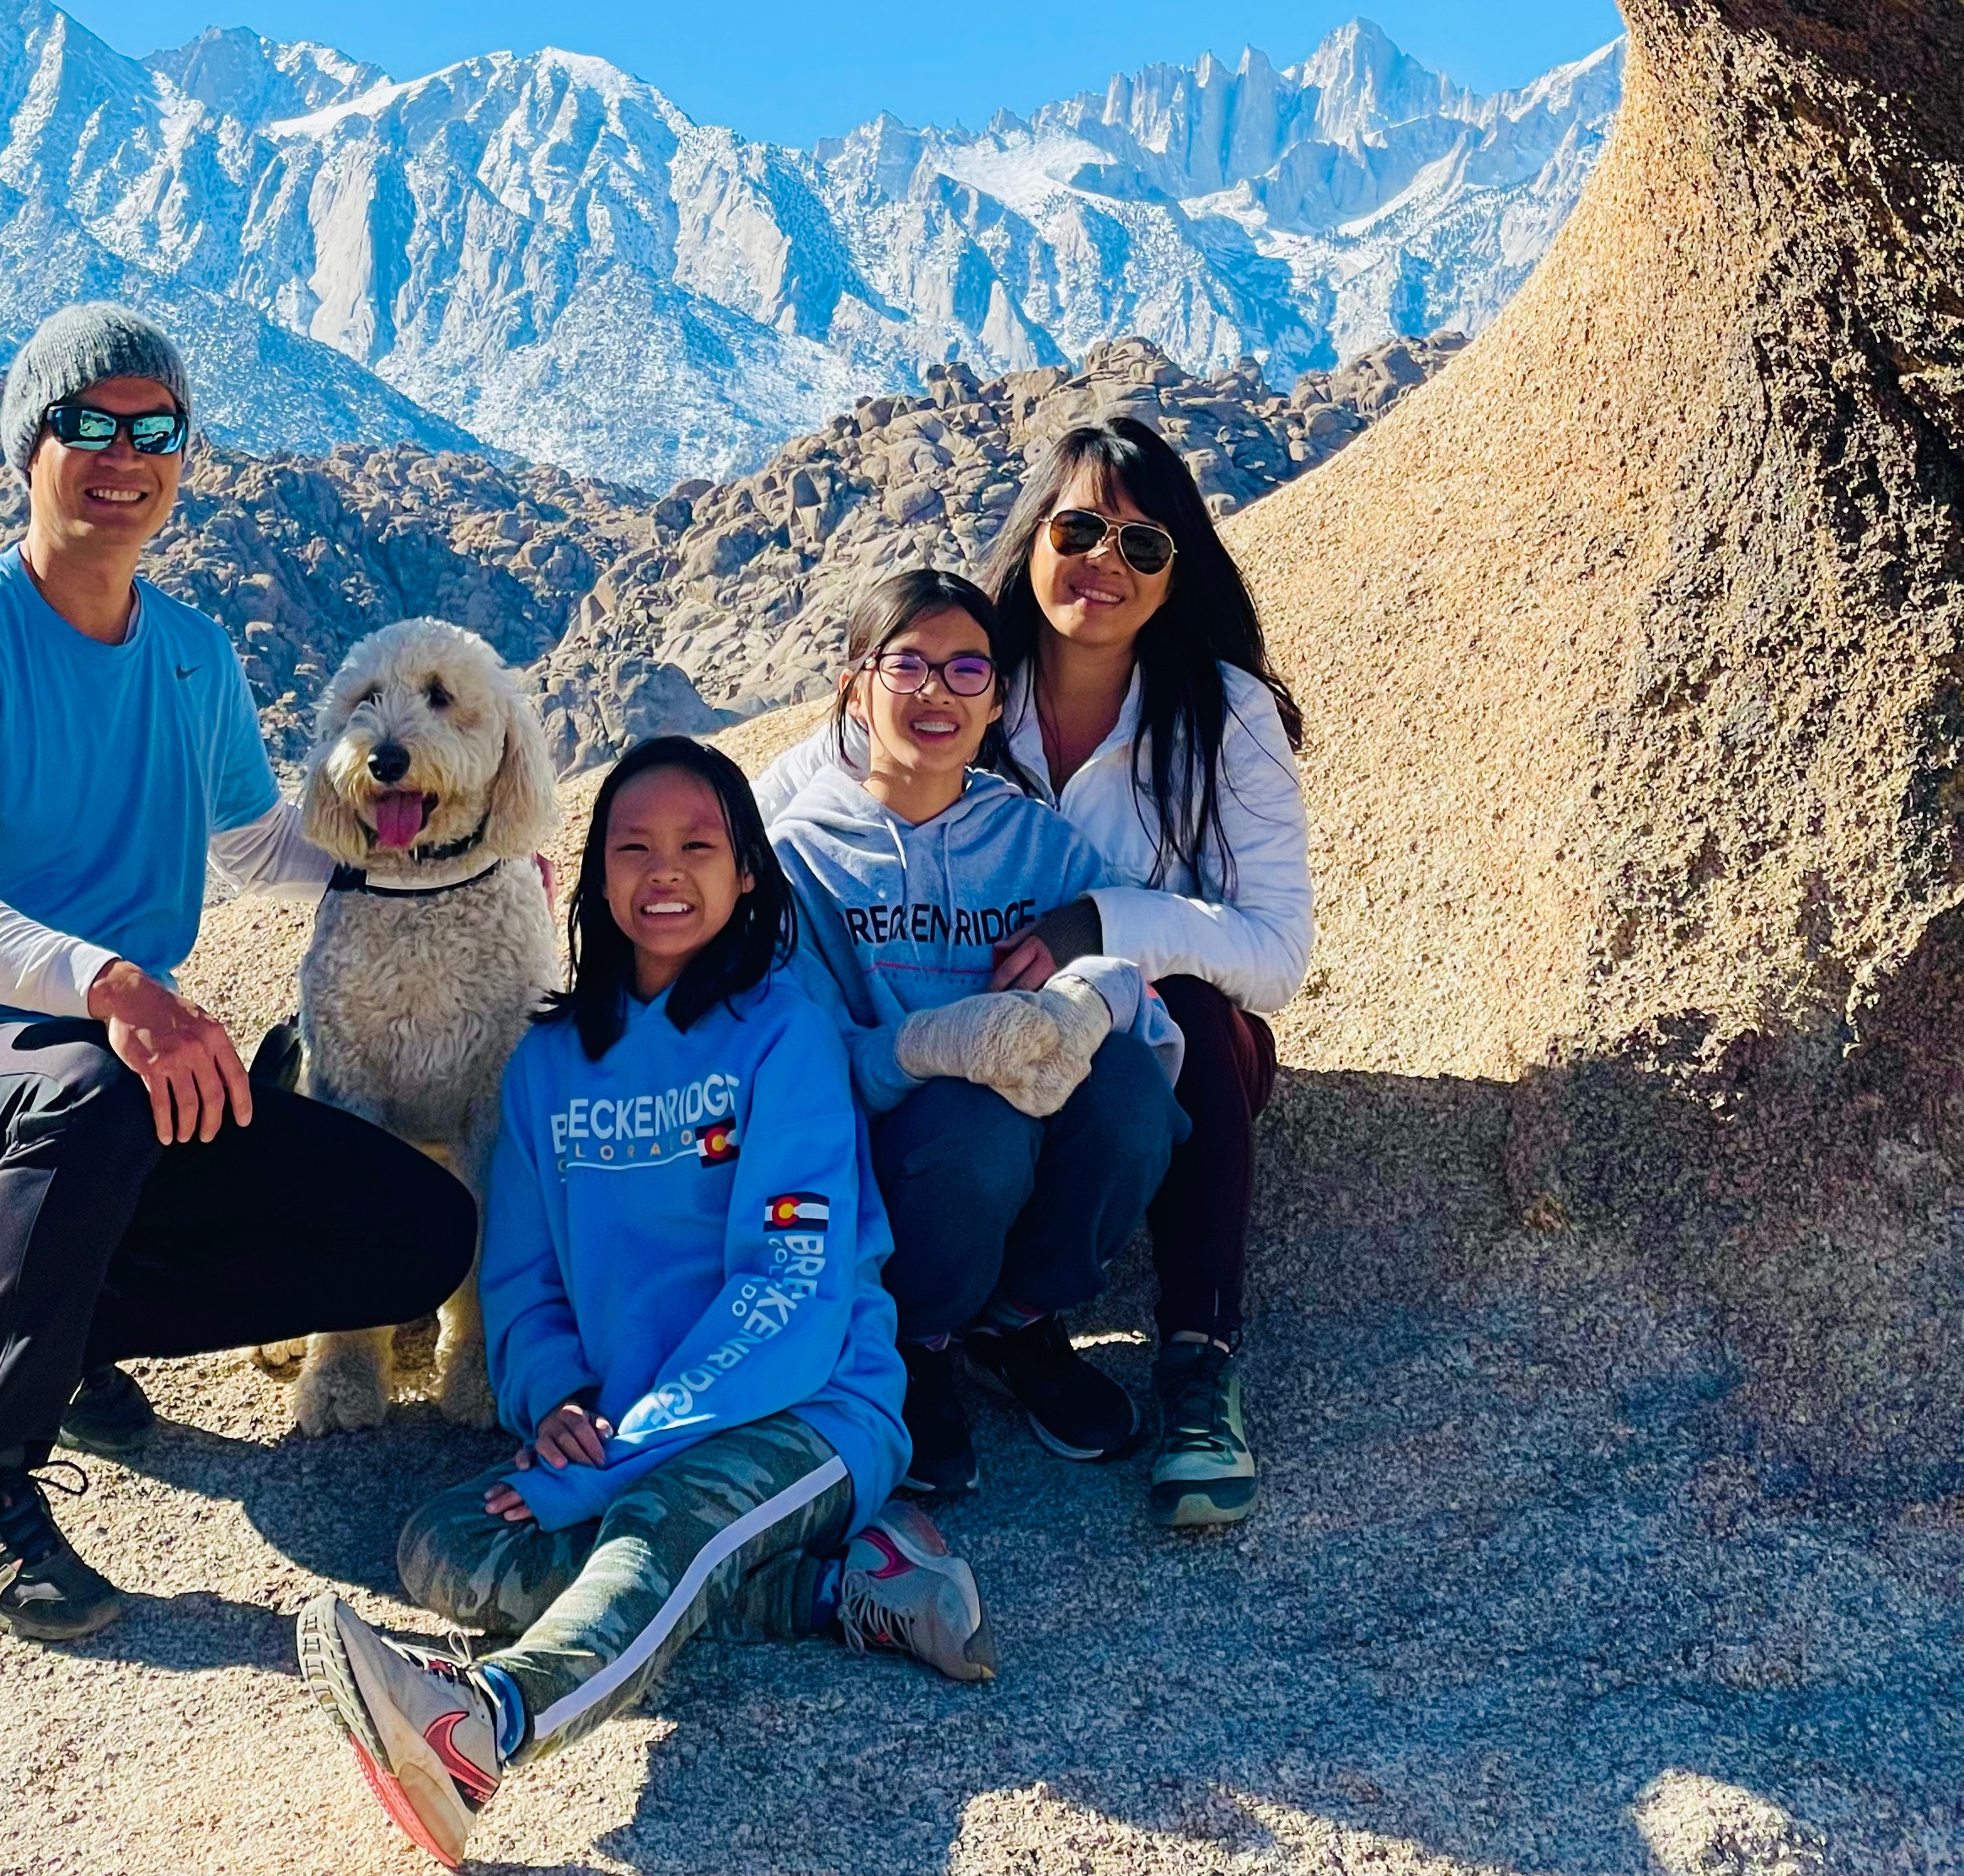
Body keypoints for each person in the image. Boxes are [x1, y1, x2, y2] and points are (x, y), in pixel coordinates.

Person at [0, 301, 475, 1645]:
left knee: (418, 1233)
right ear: (31, 446)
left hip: (106, 1085)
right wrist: (109, 984)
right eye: (90, 425)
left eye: (157, 430)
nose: (125, 455)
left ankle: (60, 1336)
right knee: (101, 1085)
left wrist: (441, 860)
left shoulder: (188, 654)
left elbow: (255, 841)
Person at [298, 735, 987, 1870]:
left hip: (808, 1410)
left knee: (655, 1526)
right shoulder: (546, 1066)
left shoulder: (784, 1037)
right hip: (617, 1422)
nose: (664, 872)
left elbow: (794, 1286)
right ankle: (839, 1590)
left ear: (747, 874)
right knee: (443, 1542)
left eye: (698, 846)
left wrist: (632, 1446)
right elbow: (521, 1280)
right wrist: (561, 1398)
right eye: (634, 847)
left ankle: (482, 1729)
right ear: (592, 877)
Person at [760, 424, 1312, 1531]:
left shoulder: (1221, 712)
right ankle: (928, 1337)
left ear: (1175, 573)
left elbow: (1278, 951)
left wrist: (1097, 923)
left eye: (1143, 544)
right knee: (971, 1122)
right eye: (1079, 529)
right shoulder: (957, 671)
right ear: (1035, 539)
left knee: (1184, 1021)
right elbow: (787, 822)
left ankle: (1192, 1363)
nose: (1105, 561)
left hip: (1126, 1050)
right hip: (931, 1084)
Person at [767, 568, 1188, 1506]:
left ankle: (1014, 1324)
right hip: (899, 1185)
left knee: (1127, 1091)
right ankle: (912, 1343)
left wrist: (1091, 994)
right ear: (854, 686)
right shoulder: (798, 859)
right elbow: (797, 1065)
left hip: (1025, 1168)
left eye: (967, 671)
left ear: (997, 699)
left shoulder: (1038, 843)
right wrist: (922, 1048)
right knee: (977, 1123)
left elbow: (1148, 1007)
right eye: (907, 665)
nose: (935, 693)